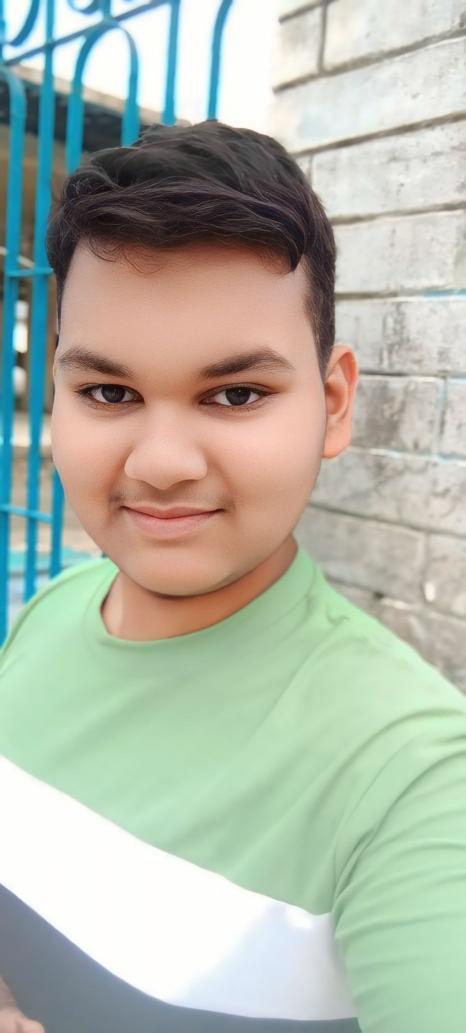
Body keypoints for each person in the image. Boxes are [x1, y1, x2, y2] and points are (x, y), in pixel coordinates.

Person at [1, 119, 465, 1033]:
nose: (162, 462)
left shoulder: (415, 778)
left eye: (236, 394)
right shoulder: (47, 613)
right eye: (109, 392)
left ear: (333, 403)